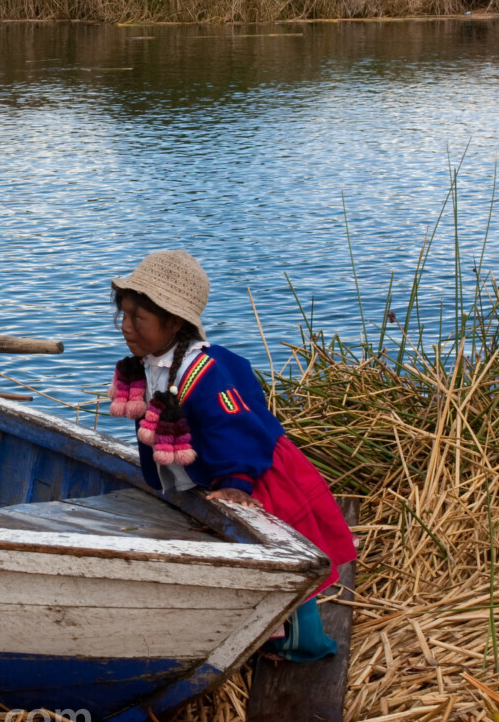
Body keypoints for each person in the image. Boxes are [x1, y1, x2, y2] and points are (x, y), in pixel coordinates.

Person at [108, 249, 357, 660]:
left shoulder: (206, 373)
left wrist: (237, 482)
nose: (126, 327)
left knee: (280, 558)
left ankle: (302, 644)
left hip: (253, 472)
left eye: (138, 318)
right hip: (214, 471)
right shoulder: (149, 364)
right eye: (124, 315)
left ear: (174, 322)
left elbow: (236, 428)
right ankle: (257, 633)